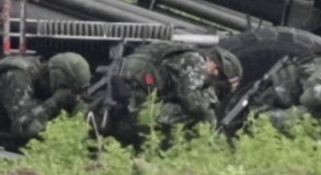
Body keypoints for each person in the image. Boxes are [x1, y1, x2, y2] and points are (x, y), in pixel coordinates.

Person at [0, 51, 91, 151]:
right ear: (57, 79)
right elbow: (24, 127)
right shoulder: (18, 74)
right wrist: (55, 101)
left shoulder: (46, 82)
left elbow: (79, 116)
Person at [97, 39, 232, 145]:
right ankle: (209, 151)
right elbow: (194, 105)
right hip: (135, 114)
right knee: (204, 113)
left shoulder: (177, 50)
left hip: (125, 110)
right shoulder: (194, 60)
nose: (213, 77)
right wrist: (214, 93)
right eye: (218, 74)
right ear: (214, 65)